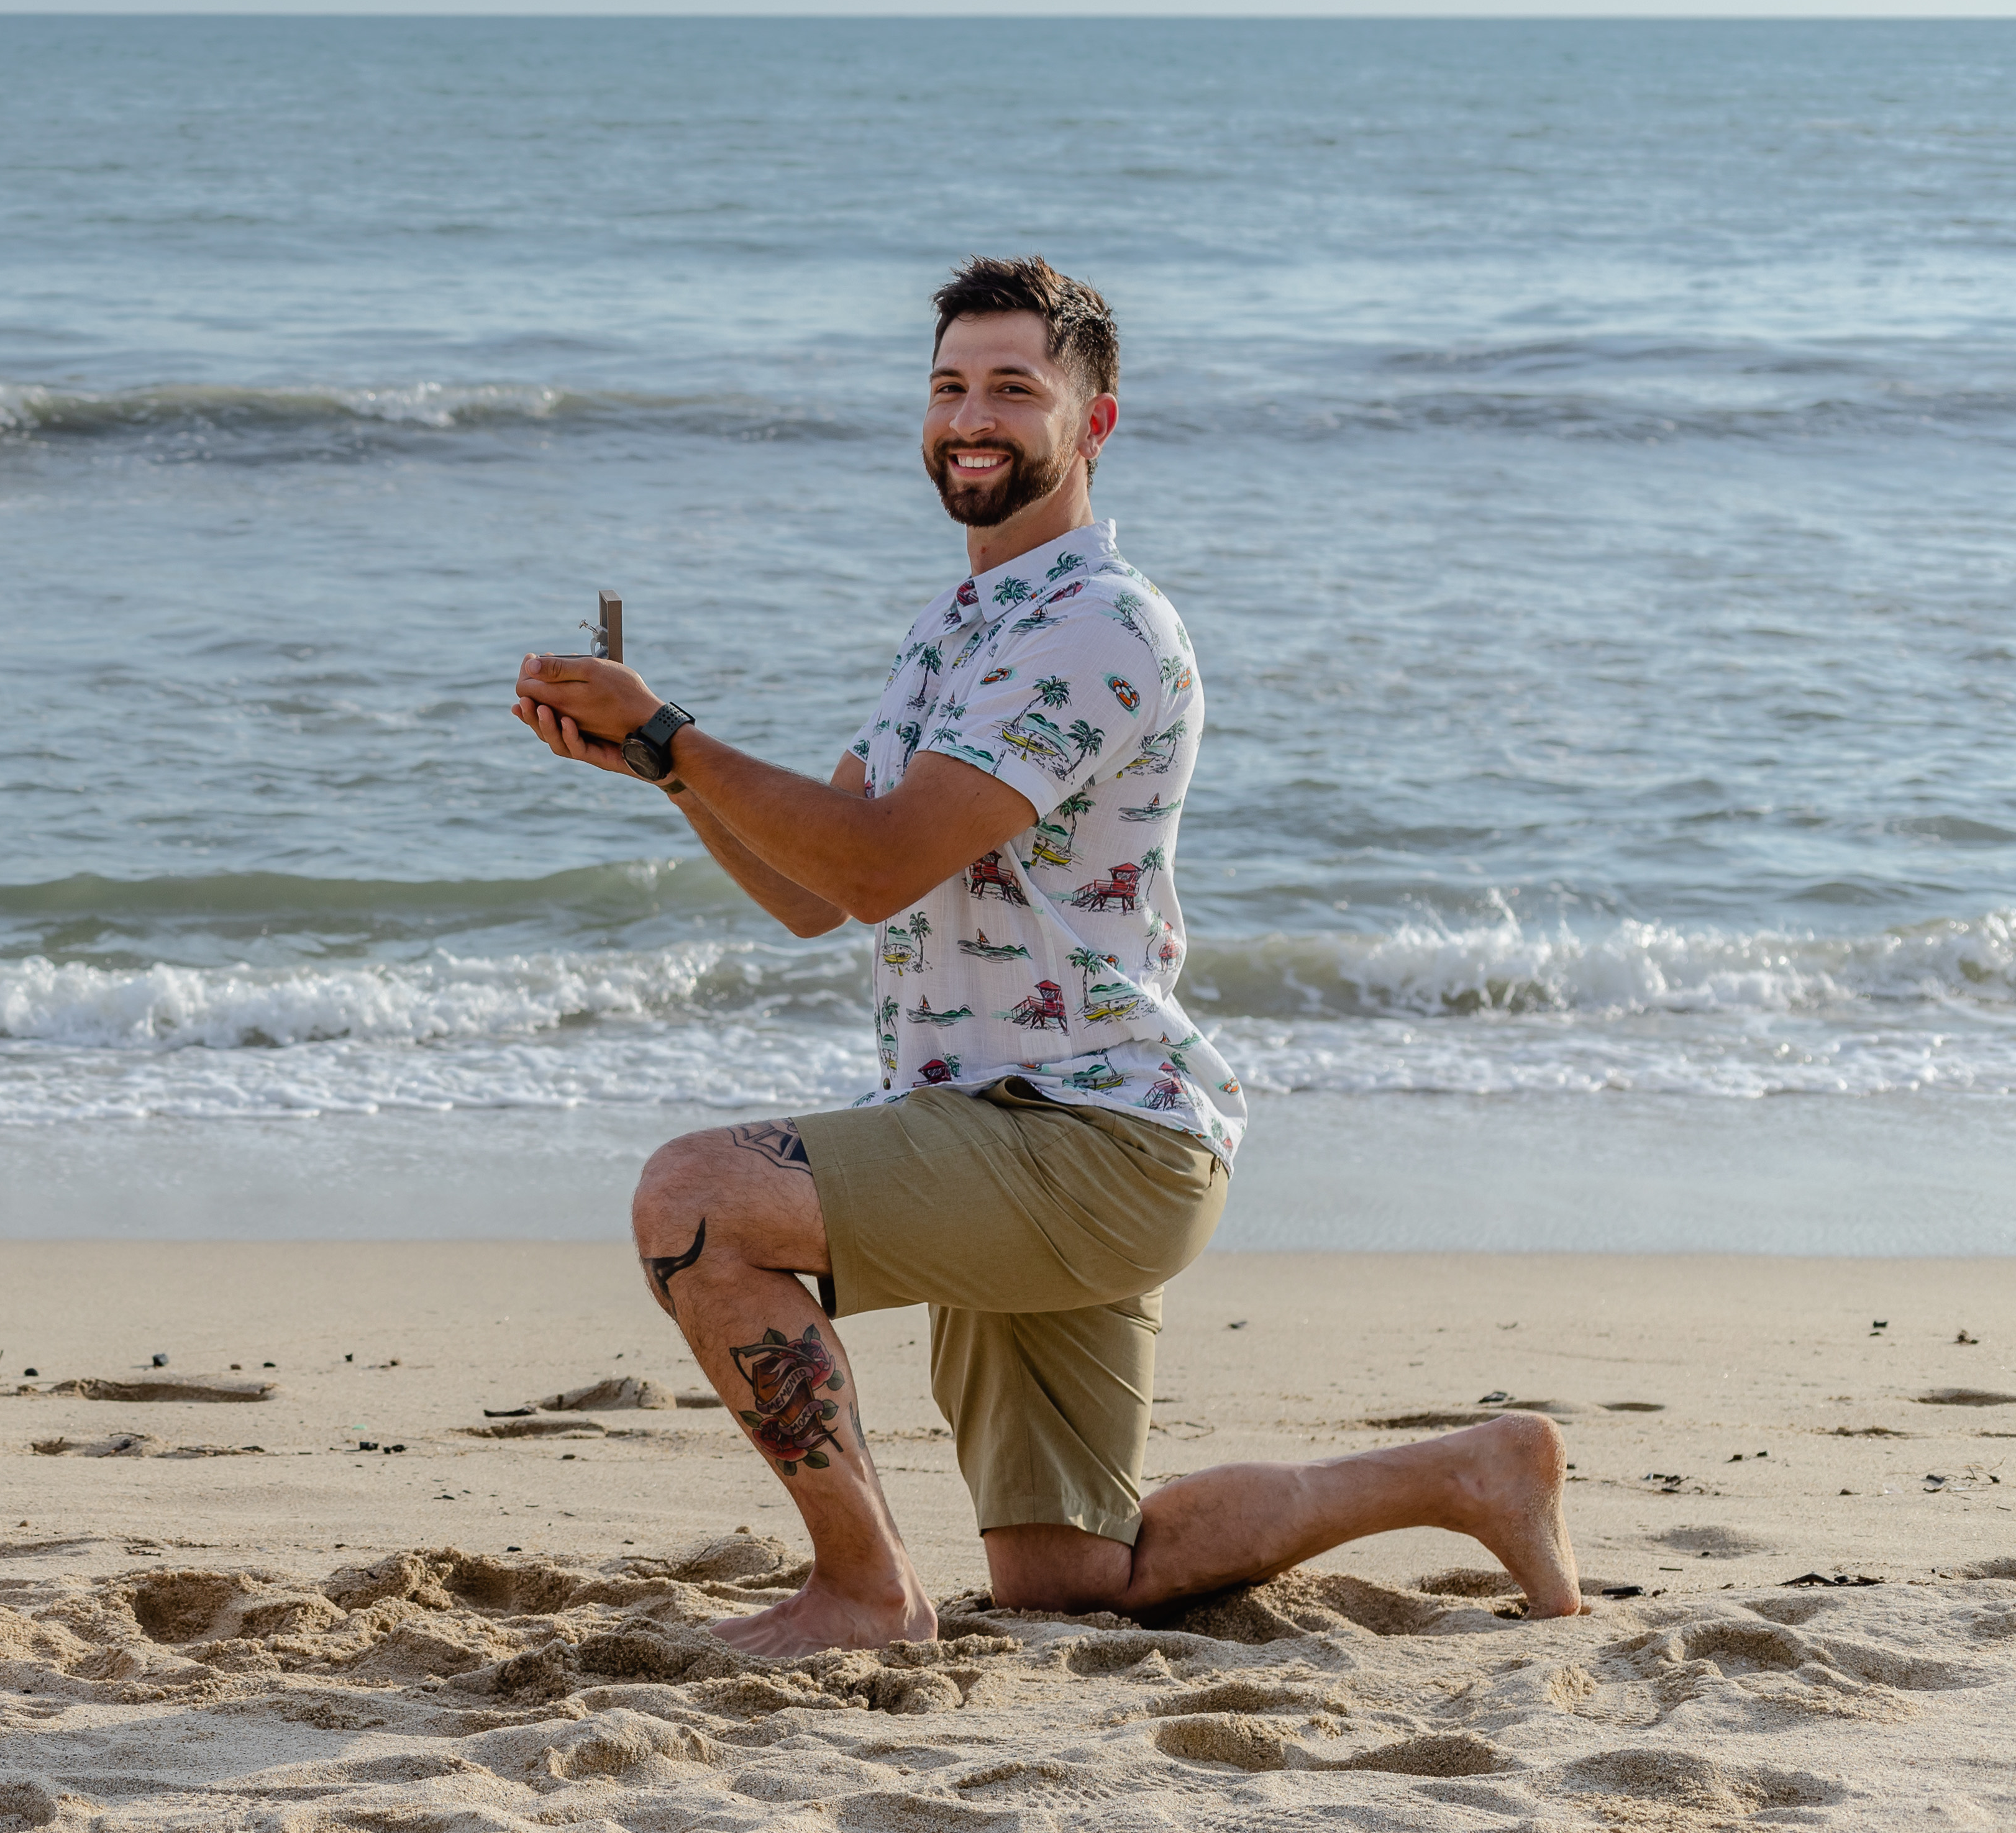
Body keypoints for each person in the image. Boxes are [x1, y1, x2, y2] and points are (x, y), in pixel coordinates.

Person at [511, 258, 1579, 1654]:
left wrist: (673, 735)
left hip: (1091, 1138)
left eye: (1014, 389)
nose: (973, 415)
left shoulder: (1095, 625)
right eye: (950, 386)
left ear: (1094, 421)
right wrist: (659, 771)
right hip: (994, 1128)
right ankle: (1467, 1472)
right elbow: (816, 889)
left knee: (697, 1200)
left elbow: (886, 856)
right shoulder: (957, 628)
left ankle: (862, 1594)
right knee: (1071, 1579)